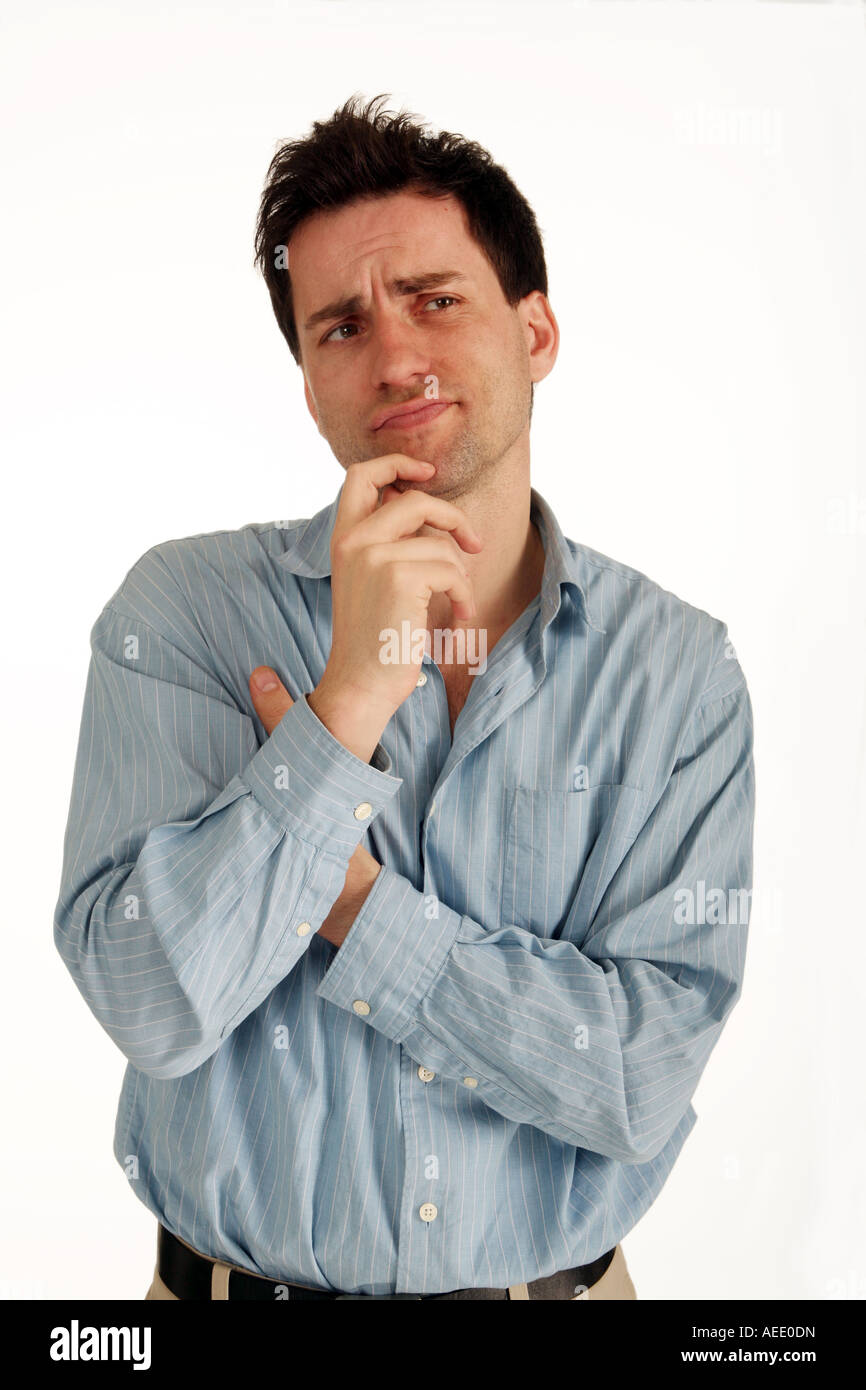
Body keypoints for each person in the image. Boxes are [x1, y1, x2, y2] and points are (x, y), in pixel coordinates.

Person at [54, 93, 755, 1301]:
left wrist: (353, 904)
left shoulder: (678, 673)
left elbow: (635, 1083)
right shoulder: (177, 616)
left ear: (533, 329)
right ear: (309, 383)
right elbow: (154, 1003)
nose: (393, 354)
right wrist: (346, 707)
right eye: (338, 325)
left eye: (435, 299)